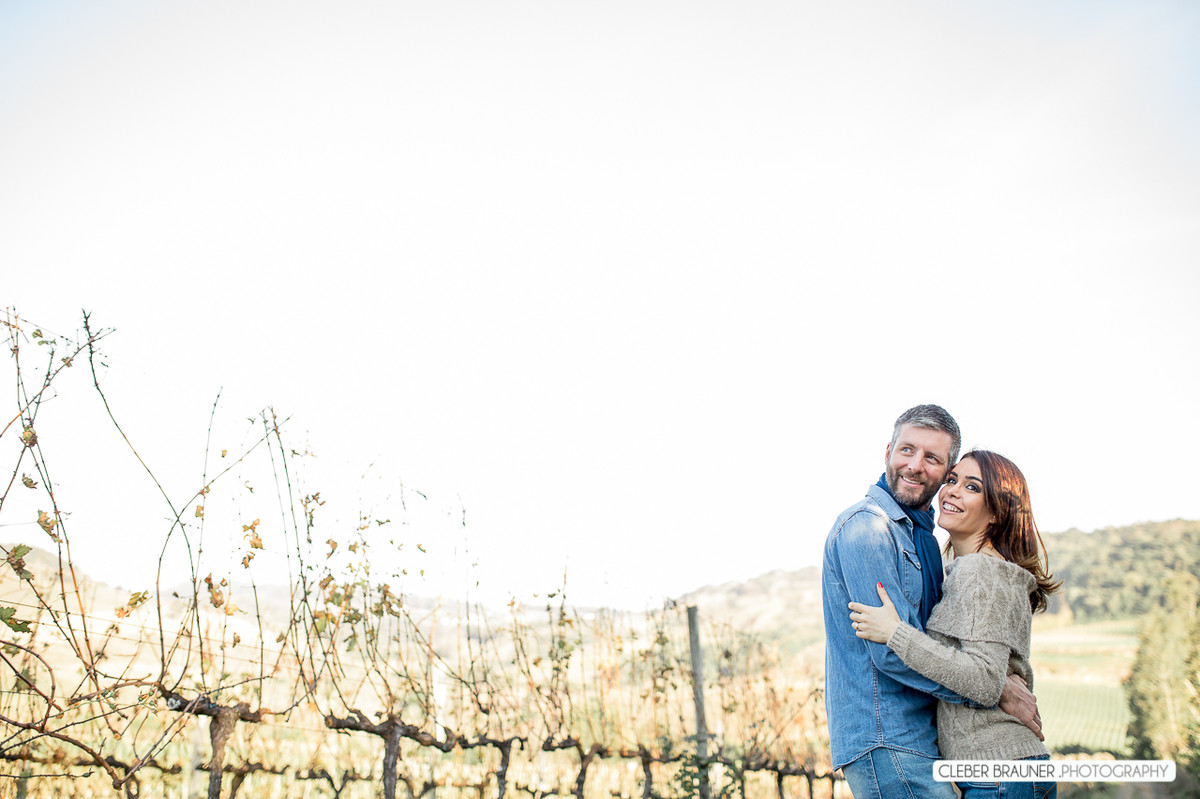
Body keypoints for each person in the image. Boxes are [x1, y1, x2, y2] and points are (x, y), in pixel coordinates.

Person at [822, 405, 1041, 799]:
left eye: (933, 459)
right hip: (888, 734)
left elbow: (940, 645)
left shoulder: (929, 544)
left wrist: (991, 680)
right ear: (888, 450)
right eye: (907, 450)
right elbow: (889, 649)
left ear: (944, 470)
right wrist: (994, 690)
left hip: (926, 741)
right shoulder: (868, 529)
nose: (915, 465)